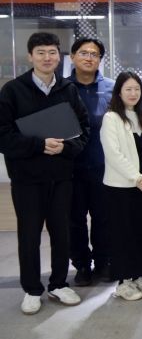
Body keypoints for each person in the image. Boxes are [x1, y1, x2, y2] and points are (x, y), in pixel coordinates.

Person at [0, 32, 89, 315]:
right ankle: (32, 289)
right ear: (30, 56)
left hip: (61, 176)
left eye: (52, 52)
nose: (47, 58)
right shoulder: (13, 91)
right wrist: (39, 145)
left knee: (62, 232)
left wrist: (65, 148)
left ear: (58, 57)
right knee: (29, 235)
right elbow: (3, 136)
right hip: (27, 178)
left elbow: (84, 129)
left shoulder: (68, 90)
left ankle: (59, 283)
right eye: (40, 52)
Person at [101, 72, 142, 301]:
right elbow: (113, 153)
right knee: (122, 233)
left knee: (141, 232)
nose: (133, 93)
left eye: (137, 89)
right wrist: (137, 178)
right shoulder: (111, 118)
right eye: (128, 89)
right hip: (120, 187)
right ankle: (123, 281)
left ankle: (138, 275)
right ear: (119, 92)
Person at [66, 37, 115, 286]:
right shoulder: (61, 88)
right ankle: (82, 265)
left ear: (100, 60)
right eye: (83, 53)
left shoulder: (112, 88)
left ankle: (103, 262)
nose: (89, 58)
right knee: (74, 219)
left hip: (103, 166)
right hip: (70, 167)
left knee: (103, 218)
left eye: (94, 54)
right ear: (72, 57)